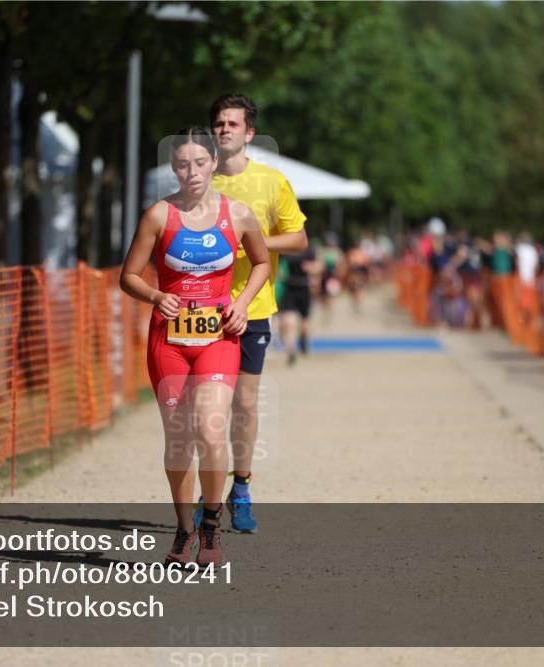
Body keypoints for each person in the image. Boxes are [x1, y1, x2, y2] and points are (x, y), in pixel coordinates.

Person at [120, 127, 269, 566]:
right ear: (174, 168)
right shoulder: (158, 216)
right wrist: (154, 296)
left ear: (213, 164)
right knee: (180, 438)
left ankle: (210, 524)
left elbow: (261, 261)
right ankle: (184, 531)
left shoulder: (237, 214)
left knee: (209, 428)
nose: (192, 171)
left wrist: (242, 303)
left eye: (200, 163)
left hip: (218, 339)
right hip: (169, 341)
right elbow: (128, 276)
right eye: (183, 164)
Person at [200, 93, 308, 534]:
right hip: (201, 310)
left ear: (249, 133)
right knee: (206, 411)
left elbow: (298, 240)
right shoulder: (199, 182)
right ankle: (207, 497)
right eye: (219, 123)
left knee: (243, 403)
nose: (224, 129)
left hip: (253, 309)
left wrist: (252, 241)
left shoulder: (271, 181)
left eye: (232, 124)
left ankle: (240, 487)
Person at [279, 242, 319, 365]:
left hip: (304, 288)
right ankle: (291, 350)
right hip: (289, 287)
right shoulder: (285, 247)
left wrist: (311, 268)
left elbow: (319, 265)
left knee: (303, 325)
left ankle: (303, 339)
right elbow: (275, 262)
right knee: (287, 322)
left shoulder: (308, 248)